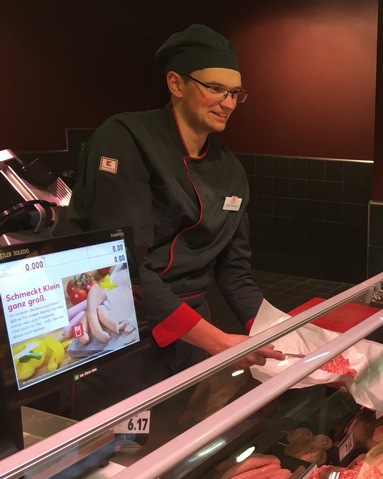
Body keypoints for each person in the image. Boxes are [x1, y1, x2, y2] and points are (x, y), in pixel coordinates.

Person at [62, 24, 283, 418]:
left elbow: (234, 271)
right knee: (116, 454)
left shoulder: (230, 169)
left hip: (191, 331)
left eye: (235, 93)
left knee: (177, 444)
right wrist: (216, 340)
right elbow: (119, 265)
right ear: (176, 84)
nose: (228, 103)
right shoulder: (126, 136)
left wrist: (277, 330)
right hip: (115, 324)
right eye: (215, 88)